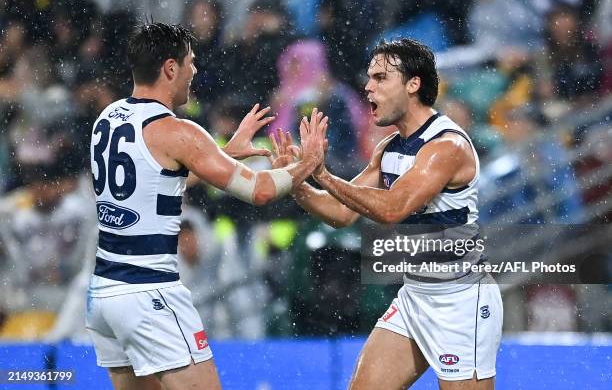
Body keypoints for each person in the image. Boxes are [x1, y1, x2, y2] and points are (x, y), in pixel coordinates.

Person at [85, 22, 327, 390]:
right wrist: (307, 163)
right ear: (170, 68)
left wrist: (222, 154)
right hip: (150, 290)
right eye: (190, 62)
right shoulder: (179, 131)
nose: (194, 71)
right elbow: (260, 190)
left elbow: (158, 181)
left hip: (105, 293)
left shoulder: (107, 118)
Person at [271, 39, 502, 389]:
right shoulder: (388, 149)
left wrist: (322, 173)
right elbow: (341, 213)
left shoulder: (446, 146)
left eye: (380, 78)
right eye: (369, 78)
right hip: (415, 296)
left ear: (413, 84)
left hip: (461, 303)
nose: (368, 87)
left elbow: (393, 208)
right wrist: (299, 182)